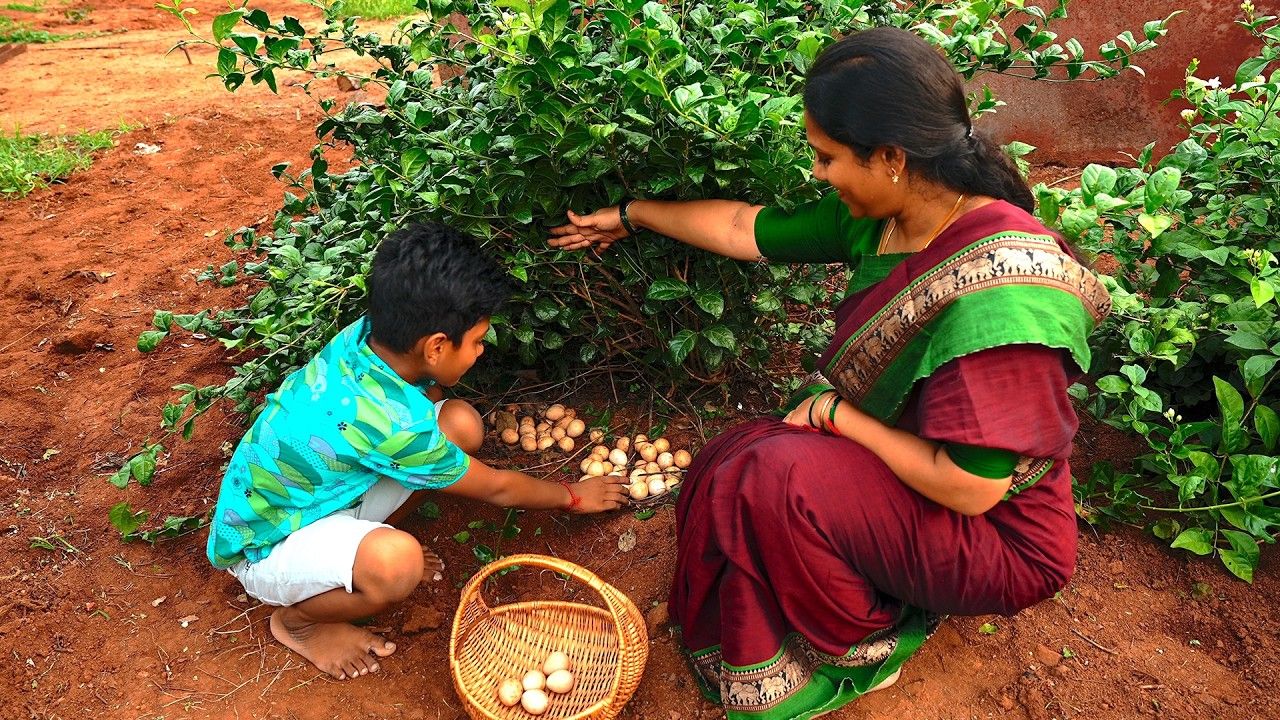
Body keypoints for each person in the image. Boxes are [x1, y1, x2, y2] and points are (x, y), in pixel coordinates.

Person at [548, 26, 1110, 720]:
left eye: (826, 157)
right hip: (929, 483)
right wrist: (630, 216)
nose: (817, 174)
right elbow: (741, 230)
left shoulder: (1003, 294)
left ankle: (865, 643)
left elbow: (972, 491)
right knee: (737, 455)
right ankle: (820, 585)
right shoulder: (889, 218)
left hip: (998, 540)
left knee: (774, 475)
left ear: (890, 157)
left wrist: (834, 416)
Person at [207, 222, 628, 681]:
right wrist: (571, 495)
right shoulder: (390, 425)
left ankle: (361, 549)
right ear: (436, 346)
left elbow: (426, 404)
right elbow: (498, 488)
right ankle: (300, 622)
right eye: (479, 340)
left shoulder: (365, 337)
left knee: (459, 426)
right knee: (397, 564)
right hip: (265, 545)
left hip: (319, 498)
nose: (483, 350)